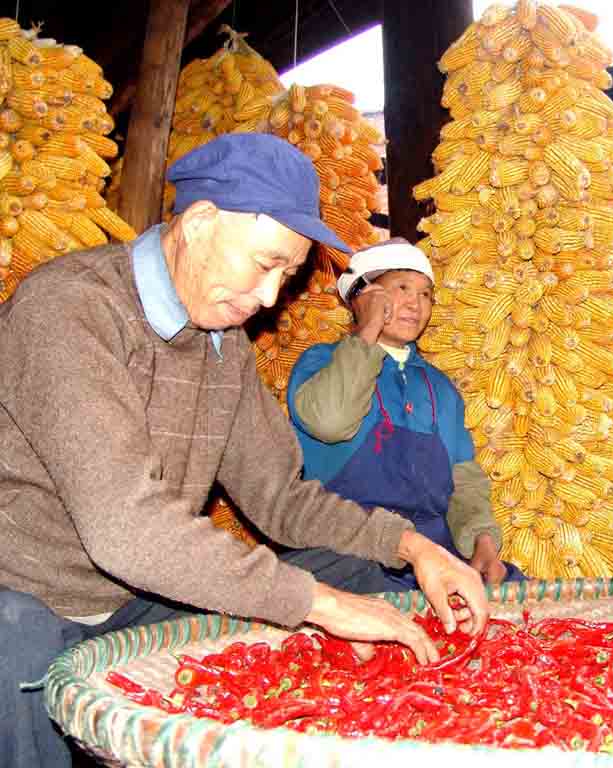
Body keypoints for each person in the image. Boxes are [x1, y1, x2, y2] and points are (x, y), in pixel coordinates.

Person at [0, 134, 487, 768]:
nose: (267, 298)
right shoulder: (70, 309)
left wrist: (413, 548)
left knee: (361, 577)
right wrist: (318, 604)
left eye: (286, 275)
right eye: (265, 264)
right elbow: (127, 530)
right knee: (15, 641)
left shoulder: (220, 342)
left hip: (126, 600)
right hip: (23, 593)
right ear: (200, 225)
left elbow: (281, 497)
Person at [287, 238, 525, 590]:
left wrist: (482, 541)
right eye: (401, 288)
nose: (416, 303)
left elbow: (464, 482)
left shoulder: (439, 388)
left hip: (430, 555)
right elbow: (331, 422)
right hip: (348, 553)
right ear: (362, 298)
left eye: (426, 294)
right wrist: (367, 330)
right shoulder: (320, 362)